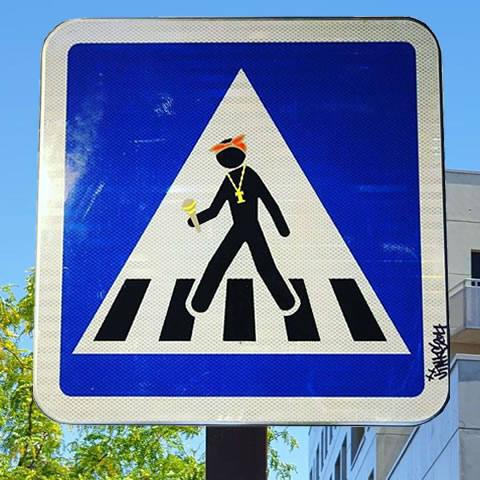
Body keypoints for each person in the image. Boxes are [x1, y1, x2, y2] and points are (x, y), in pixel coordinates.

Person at [188, 134, 295, 313]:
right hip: (246, 228)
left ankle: (200, 302)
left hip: (244, 228)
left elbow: (215, 210)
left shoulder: (244, 176)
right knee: (258, 265)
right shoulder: (234, 178)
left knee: (222, 264)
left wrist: (194, 220)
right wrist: (194, 220)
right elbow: (269, 202)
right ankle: (286, 302)